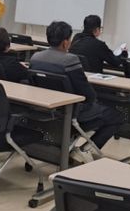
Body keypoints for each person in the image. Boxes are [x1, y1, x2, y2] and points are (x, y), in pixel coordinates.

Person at [30, 21, 123, 162]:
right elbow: (88, 94)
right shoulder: (70, 60)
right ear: (65, 42)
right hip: (72, 112)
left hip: (46, 110)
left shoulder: (35, 57)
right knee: (116, 116)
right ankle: (85, 149)